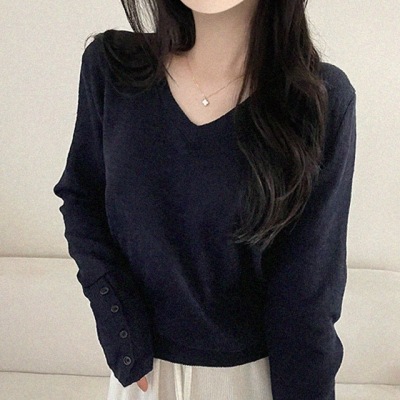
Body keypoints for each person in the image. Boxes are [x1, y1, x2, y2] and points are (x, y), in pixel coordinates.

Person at [53, 0, 357, 399]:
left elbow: (306, 292)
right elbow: (82, 198)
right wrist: (120, 326)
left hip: (252, 382)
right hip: (143, 379)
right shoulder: (114, 68)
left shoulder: (317, 99)